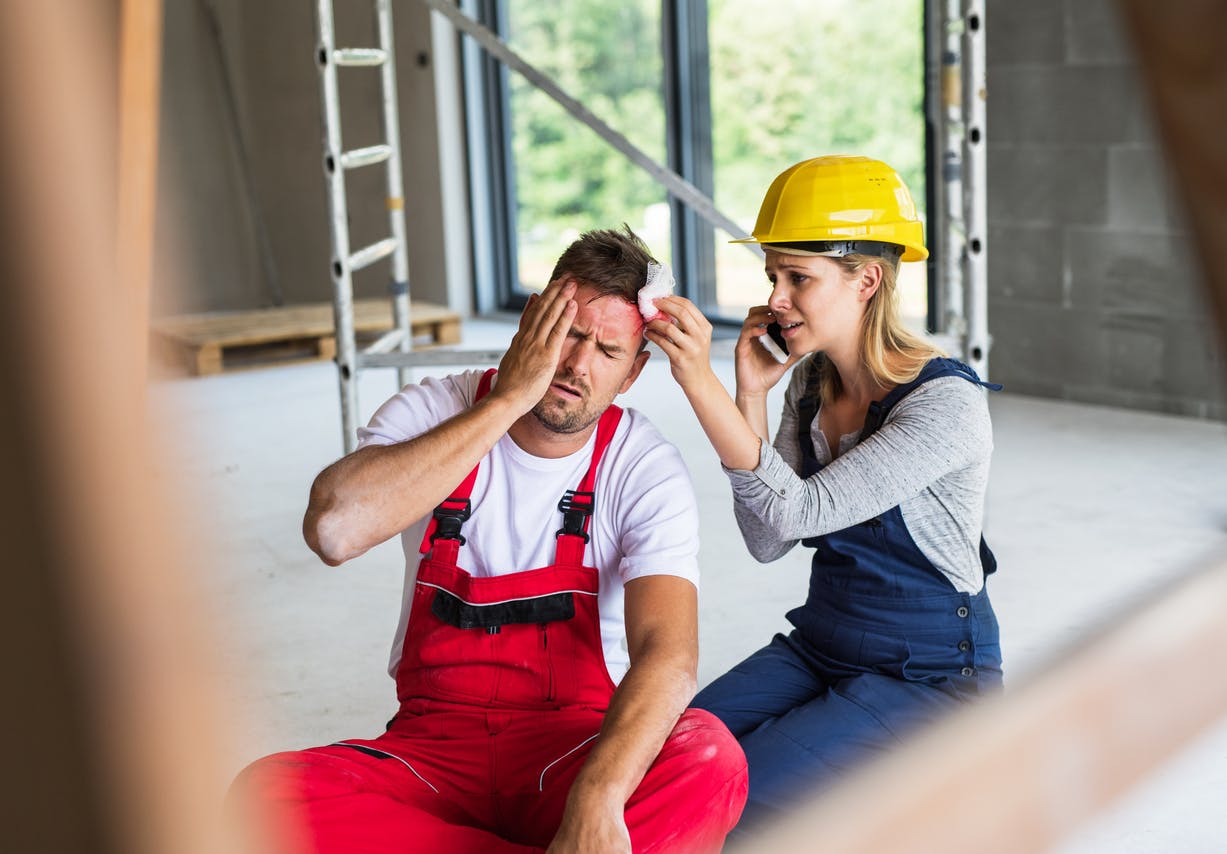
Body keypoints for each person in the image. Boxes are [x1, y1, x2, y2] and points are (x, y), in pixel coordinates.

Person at [231, 227, 747, 853]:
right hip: (430, 756)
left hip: (570, 754)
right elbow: (334, 532)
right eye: (568, 334)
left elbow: (669, 655)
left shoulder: (641, 465)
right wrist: (506, 401)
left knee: (710, 757)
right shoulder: (433, 412)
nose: (578, 366)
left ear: (634, 372)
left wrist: (598, 797)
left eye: (608, 351)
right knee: (263, 800)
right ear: (530, 322)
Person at [643, 156, 1003, 830]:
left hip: (924, 676)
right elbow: (766, 538)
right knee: (650, 756)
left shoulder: (944, 405)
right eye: (772, 275)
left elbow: (796, 508)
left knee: (735, 804)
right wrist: (751, 392)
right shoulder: (809, 389)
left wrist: (699, 381)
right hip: (820, 644)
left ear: (866, 279)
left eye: (796, 278)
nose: (775, 298)